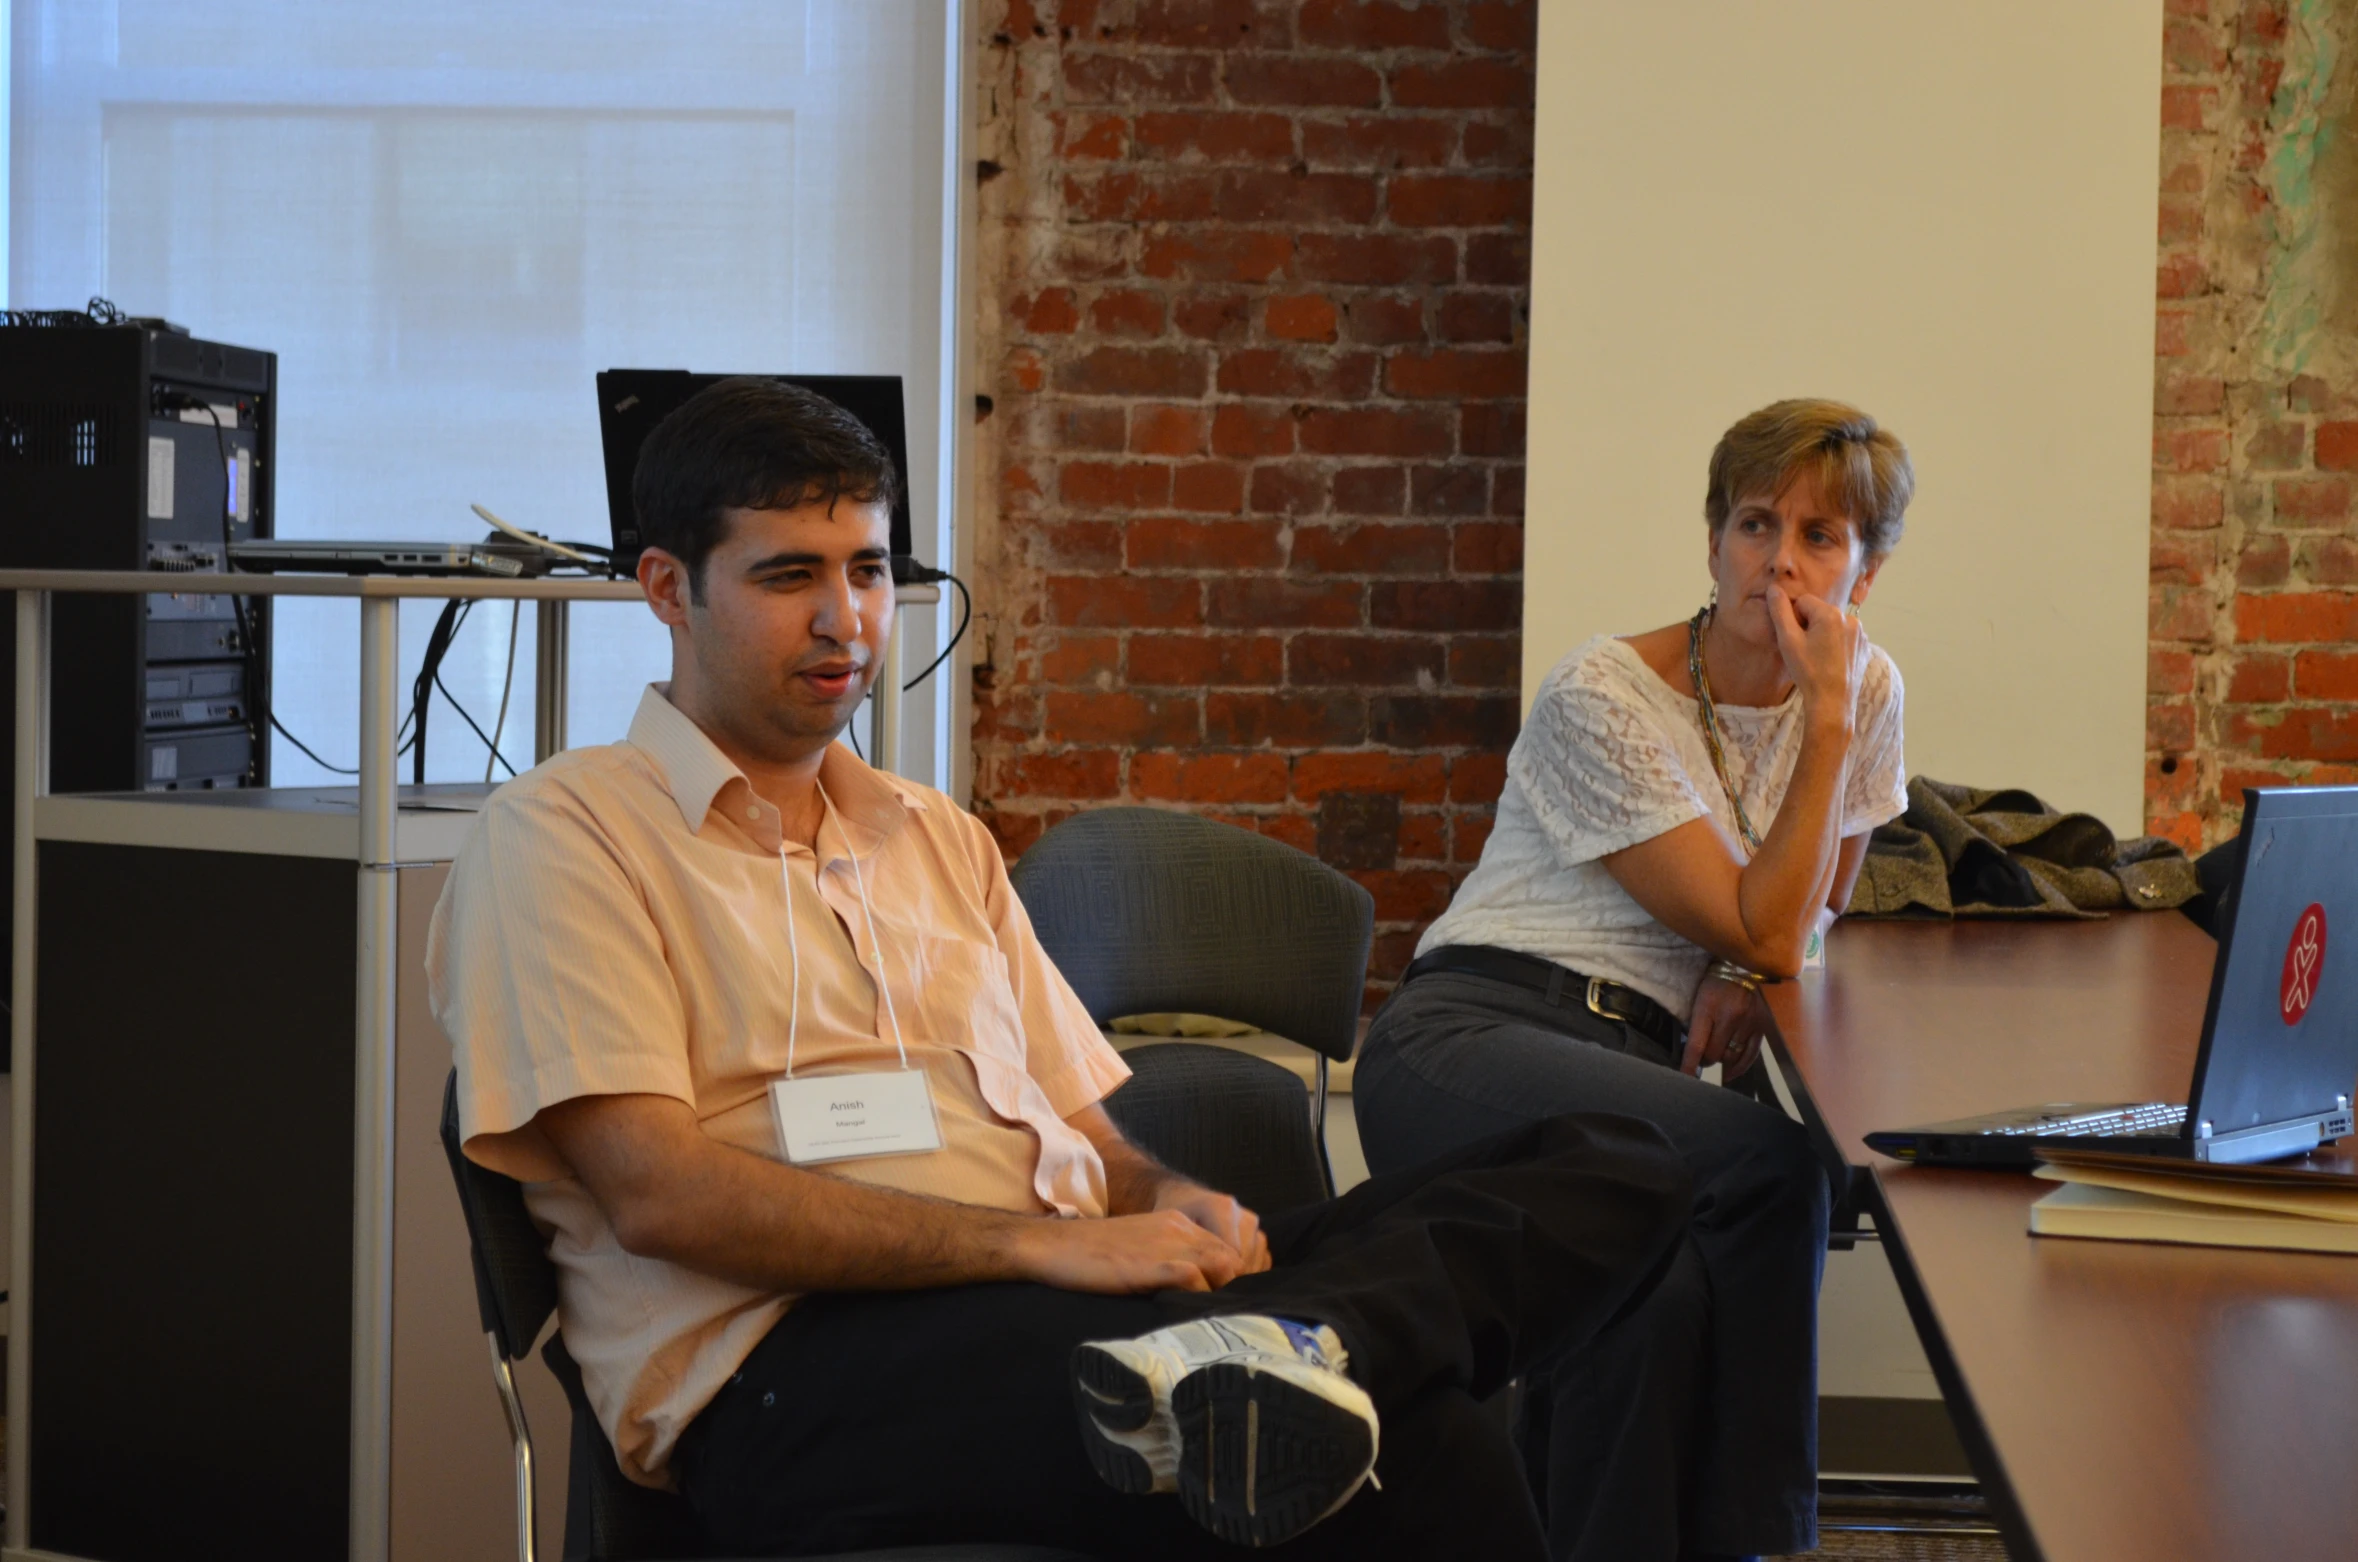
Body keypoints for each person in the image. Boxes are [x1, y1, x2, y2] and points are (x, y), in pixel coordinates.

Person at [430, 377, 1723, 1562]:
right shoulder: (564, 835)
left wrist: (1169, 1199)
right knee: (1415, 1443)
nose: (845, 620)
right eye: (787, 576)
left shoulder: (931, 835)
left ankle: (1305, 1338)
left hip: (1067, 1315)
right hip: (790, 1375)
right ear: (666, 587)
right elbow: (660, 1196)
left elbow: (1091, 1141)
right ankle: (1306, 1351)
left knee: (1627, 1162)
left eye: (870, 570)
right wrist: (1034, 1253)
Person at [1354, 398, 1917, 1560]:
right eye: (1757, 522)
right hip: (1469, 1037)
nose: (1779, 559)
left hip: (1624, 1073)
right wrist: (1820, 725)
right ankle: (1761, 1539)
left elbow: (1805, 921)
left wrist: (1745, 971)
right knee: (1778, 1163)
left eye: (1821, 534)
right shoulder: (1601, 693)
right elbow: (1772, 929)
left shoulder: (1871, 695)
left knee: (1645, 1305)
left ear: (1864, 572)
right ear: (1713, 541)